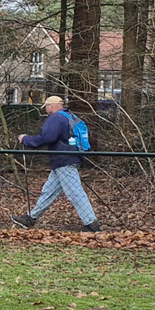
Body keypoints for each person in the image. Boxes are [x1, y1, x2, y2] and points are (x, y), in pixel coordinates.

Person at [11, 95, 99, 232]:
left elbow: (47, 137)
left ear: (50, 106)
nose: (46, 110)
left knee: (75, 192)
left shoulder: (56, 118)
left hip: (64, 160)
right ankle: (31, 218)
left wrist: (26, 140)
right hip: (69, 158)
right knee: (48, 191)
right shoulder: (70, 116)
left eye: (46, 107)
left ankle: (91, 223)